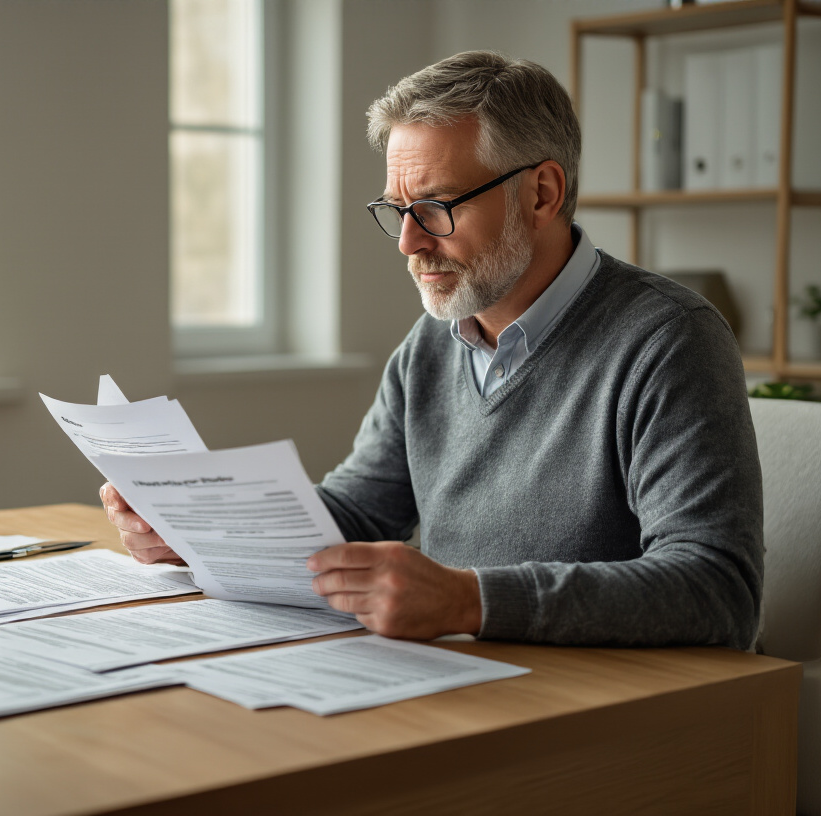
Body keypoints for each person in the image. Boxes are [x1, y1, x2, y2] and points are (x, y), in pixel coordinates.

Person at [100, 51, 762, 648]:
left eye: (439, 207)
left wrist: (469, 601)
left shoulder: (668, 339)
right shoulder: (433, 343)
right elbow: (360, 513)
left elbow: (716, 591)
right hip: (463, 685)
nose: (408, 244)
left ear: (542, 193)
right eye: (396, 209)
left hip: (612, 714)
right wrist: (202, 529)